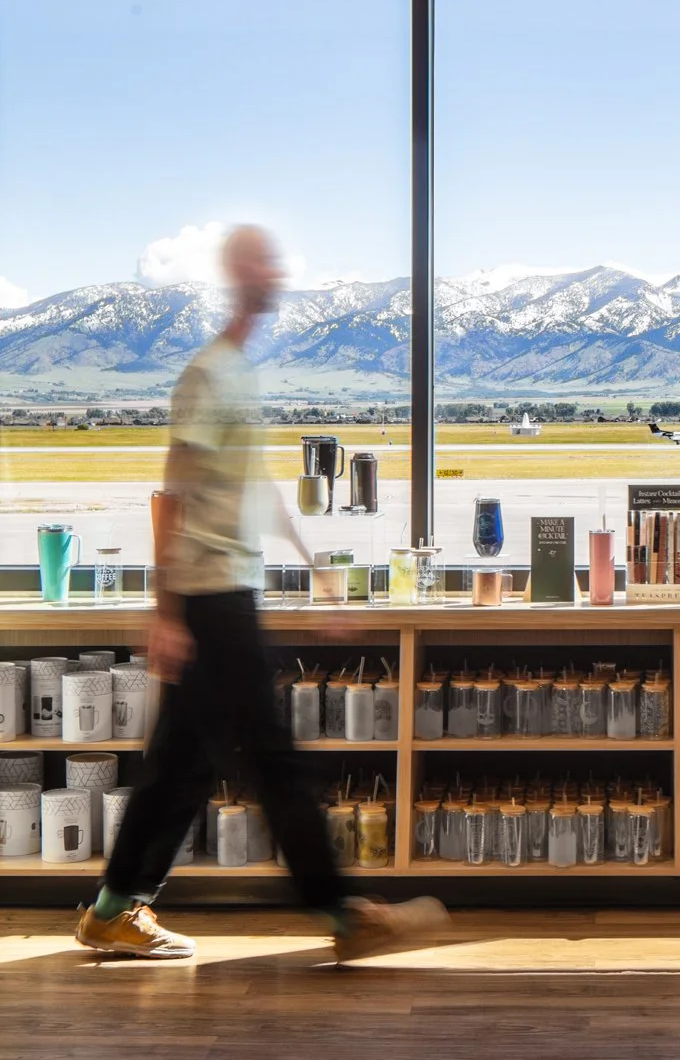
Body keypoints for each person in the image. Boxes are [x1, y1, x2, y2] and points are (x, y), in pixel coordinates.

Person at [75, 225, 446, 964]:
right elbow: (174, 493)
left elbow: (256, 489)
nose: (274, 273)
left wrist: (316, 572)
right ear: (237, 274)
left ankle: (112, 911)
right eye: (261, 262)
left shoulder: (239, 374)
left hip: (227, 589)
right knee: (272, 753)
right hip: (209, 596)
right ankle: (342, 912)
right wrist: (167, 611)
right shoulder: (208, 374)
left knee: (181, 764)